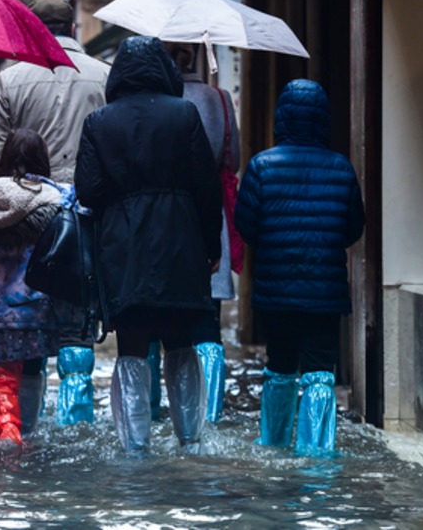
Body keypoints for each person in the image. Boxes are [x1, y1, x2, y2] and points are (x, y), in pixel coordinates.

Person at [74, 36, 222, 454]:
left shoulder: (100, 121)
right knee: (181, 340)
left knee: (133, 346)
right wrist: (212, 247)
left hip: (123, 248)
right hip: (182, 242)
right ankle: (190, 441)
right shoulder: (185, 114)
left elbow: (87, 191)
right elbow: (206, 188)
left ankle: (135, 447)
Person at [0, 0, 110, 429]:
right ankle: (77, 430)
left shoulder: (12, 78)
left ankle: (28, 430)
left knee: (28, 329)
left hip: (24, 215)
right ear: (73, 26)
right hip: (83, 218)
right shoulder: (103, 76)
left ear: (33, 28)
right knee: (76, 327)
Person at [235, 78, 365, 456]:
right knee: (320, 370)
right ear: (323, 119)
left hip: (277, 290)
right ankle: (316, 455)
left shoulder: (262, 165)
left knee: (280, 366)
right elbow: (354, 227)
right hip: (325, 293)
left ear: (282, 117)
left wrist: (277, 242)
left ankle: (273, 444)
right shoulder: (342, 168)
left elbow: (246, 225)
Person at [145, 43, 240, 423]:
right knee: (207, 319)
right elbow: (232, 159)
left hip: (157, 220)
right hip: (206, 215)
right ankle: (209, 413)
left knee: (150, 319)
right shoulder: (218, 98)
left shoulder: (154, 102)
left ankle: (150, 411)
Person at [0, 129, 64, 450]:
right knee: (32, 369)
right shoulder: (55, 201)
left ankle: (6, 432)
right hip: (35, 304)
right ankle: (25, 435)